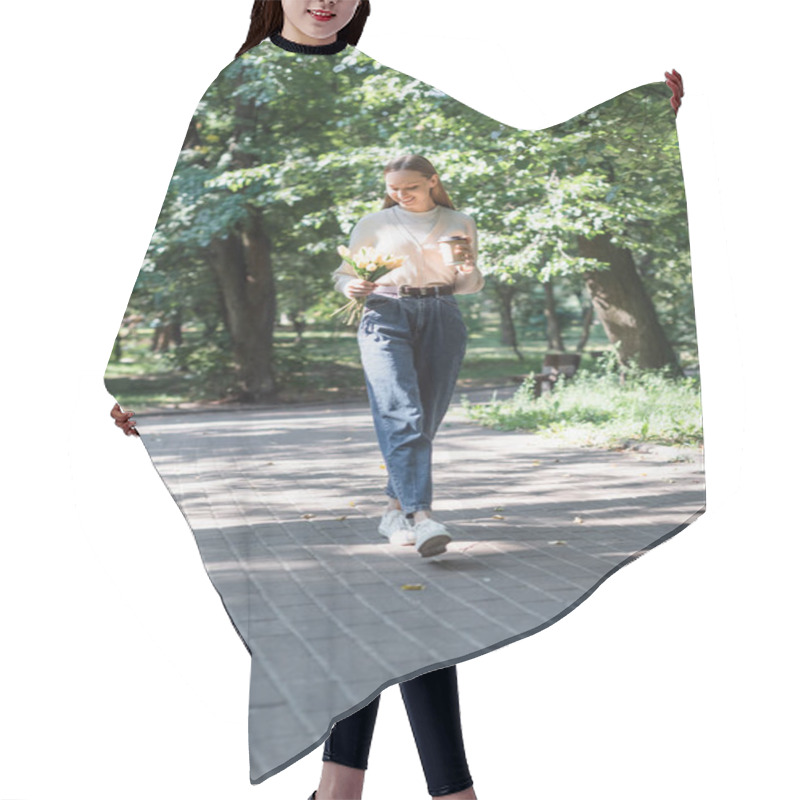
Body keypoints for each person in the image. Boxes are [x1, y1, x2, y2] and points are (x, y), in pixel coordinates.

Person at [112, 3, 480, 799]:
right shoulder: (225, 82)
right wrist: (112, 375)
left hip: (430, 324)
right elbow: (119, 225)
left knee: (391, 593)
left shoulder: (397, 87)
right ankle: (444, 791)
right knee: (395, 586)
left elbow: (520, 144)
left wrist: (653, 118)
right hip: (344, 368)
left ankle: (341, 788)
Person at [332, 154, 484, 559]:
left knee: (426, 417)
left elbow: (468, 285)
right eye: (393, 189)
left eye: (410, 188)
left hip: (442, 314)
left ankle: (392, 511)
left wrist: (467, 267)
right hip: (385, 313)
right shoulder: (373, 224)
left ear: (432, 181)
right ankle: (422, 518)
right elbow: (343, 273)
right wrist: (350, 287)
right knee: (402, 413)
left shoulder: (459, 221)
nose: (401, 195)